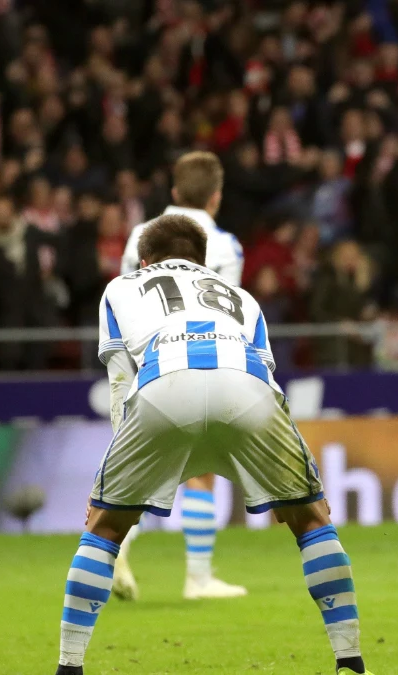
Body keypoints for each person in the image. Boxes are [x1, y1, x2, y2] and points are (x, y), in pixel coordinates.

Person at [56, 214, 366, 675]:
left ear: (145, 261)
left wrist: (111, 480)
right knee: (312, 522)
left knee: (104, 530)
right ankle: (351, 662)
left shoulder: (122, 287)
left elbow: (121, 382)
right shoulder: (241, 298)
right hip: (246, 388)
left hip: (164, 385)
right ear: (203, 263)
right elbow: (269, 381)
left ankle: (69, 666)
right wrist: (292, 487)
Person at [112, 151, 247, 601]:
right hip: (203, 361)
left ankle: (116, 549)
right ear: (216, 196)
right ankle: (199, 578)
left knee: (147, 469)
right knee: (202, 470)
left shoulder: (137, 237)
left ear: (173, 192)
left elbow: (122, 300)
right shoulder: (225, 245)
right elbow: (233, 313)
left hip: (142, 364)